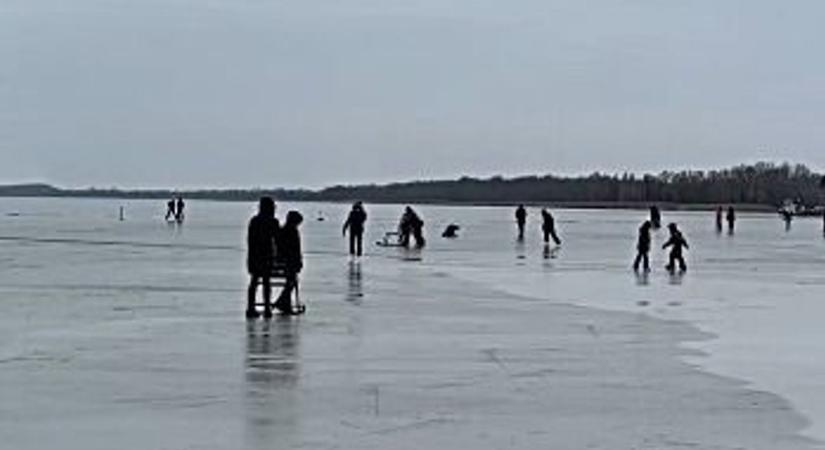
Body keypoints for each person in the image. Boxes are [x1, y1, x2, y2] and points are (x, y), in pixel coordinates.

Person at [246, 197, 279, 319]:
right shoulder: (272, 221)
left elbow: (250, 239)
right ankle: (266, 308)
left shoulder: (254, 221)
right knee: (266, 282)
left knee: (254, 281)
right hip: (266, 255)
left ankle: (250, 307)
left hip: (254, 255)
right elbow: (278, 240)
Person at [274, 210, 304, 314]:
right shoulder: (293, 232)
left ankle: (283, 301)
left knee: (291, 280)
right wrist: (299, 262)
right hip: (289, 263)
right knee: (292, 280)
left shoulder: (281, 231)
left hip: (279, 262)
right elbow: (295, 250)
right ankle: (282, 301)